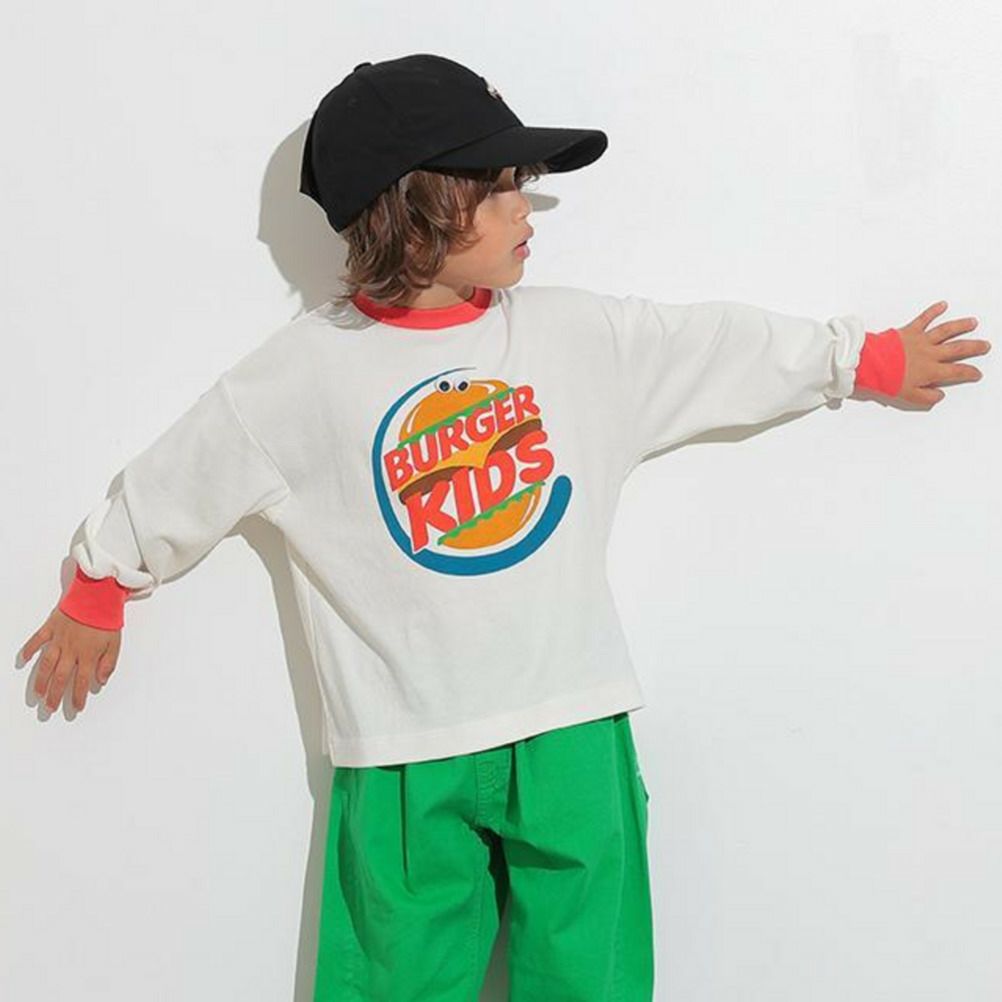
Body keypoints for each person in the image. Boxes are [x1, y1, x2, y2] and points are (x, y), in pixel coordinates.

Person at [18, 53, 989, 1001]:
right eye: (500, 187)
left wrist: (860, 358)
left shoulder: (573, 339)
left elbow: (715, 346)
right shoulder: (302, 376)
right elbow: (187, 469)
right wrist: (103, 583)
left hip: (570, 726)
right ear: (414, 207)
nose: (529, 208)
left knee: (593, 978)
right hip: (400, 750)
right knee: (394, 981)